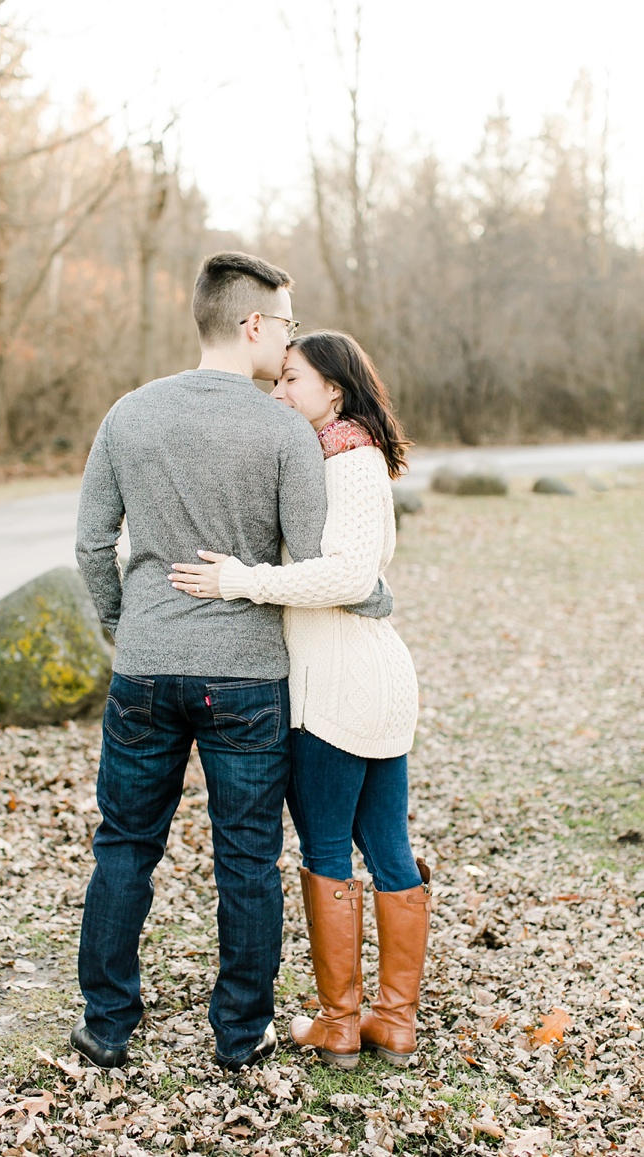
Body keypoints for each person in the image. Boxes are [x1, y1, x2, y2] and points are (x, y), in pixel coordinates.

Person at [72, 253, 389, 1073]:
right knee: (247, 855)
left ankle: (106, 1025)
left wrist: (124, 623)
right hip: (246, 677)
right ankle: (239, 1032)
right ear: (252, 324)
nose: (286, 342)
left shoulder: (128, 414)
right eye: (284, 324)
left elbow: (90, 541)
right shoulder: (282, 430)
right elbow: (314, 554)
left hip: (145, 665)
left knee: (123, 845)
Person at [169, 330, 432, 1070]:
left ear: (333, 392)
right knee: (387, 846)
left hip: (337, 687)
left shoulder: (346, 461)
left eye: (290, 380)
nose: (277, 392)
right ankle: (394, 1021)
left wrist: (240, 579)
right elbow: (360, 573)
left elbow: (346, 577)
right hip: (374, 676)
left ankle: (340, 1022)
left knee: (325, 849)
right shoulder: (346, 456)